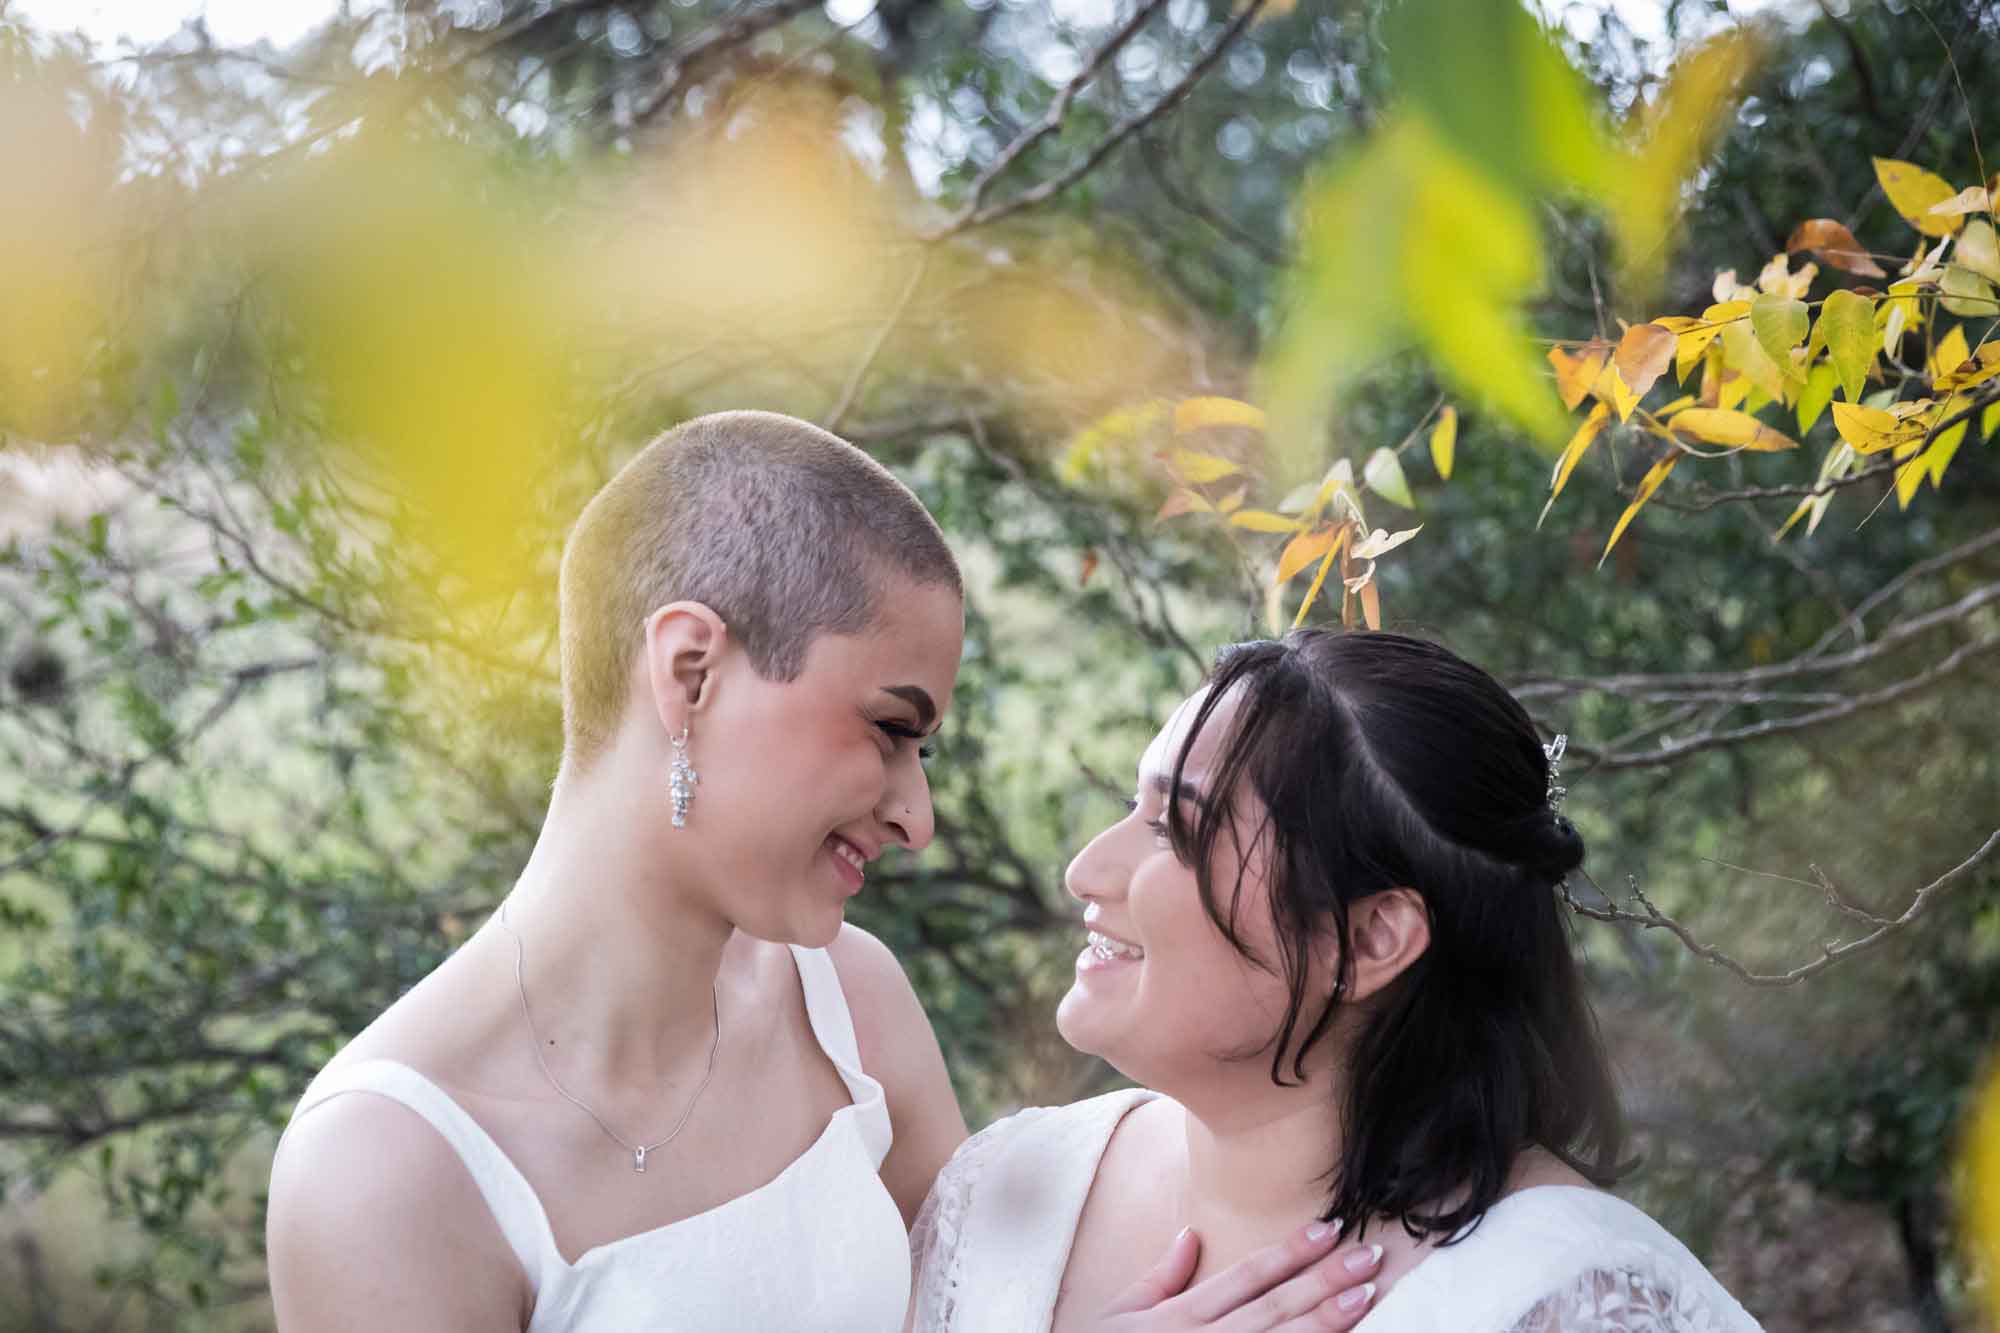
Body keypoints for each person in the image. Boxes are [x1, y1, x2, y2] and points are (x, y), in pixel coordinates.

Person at [266, 410, 1379, 1331]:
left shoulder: (849, 1003)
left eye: (924, 750)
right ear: (689, 670)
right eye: (890, 729)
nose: (916, 817)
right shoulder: (385, 1173)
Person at [910, 630, 1765, 1333]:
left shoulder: (1571, 1302)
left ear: (1366, 938)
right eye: (1134, 809)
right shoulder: (1005, 1188)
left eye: (1178, 829)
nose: (1085, 869)